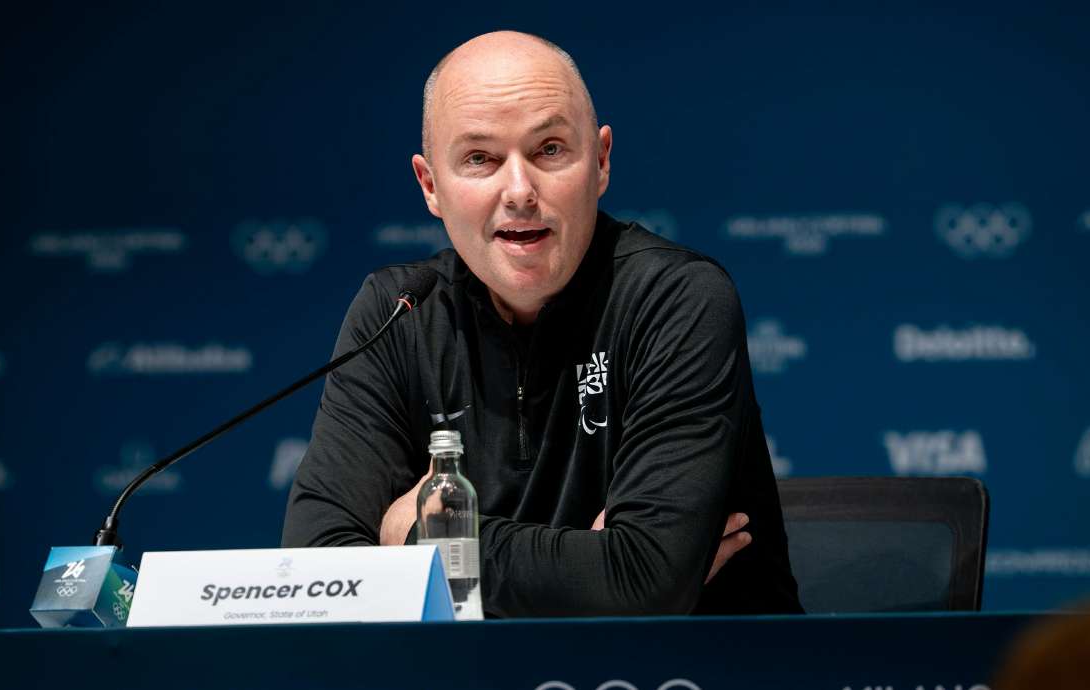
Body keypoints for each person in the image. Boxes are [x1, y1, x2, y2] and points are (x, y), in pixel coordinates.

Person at [282, 30, 801, 617]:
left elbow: (644, 579)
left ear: (600, 162)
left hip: (689, 665)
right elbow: (319, 571)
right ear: (430, 186)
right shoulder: (397, 313)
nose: (519, 191)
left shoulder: (675, 297)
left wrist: (423, 537)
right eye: (479, 159)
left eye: (550, 150)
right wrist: (591, 570)